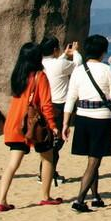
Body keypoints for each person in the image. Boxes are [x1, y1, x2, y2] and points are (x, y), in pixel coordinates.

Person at [64, 34, 111, 213]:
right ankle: (79, 200)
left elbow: (71, 96)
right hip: (100, 118)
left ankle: (95, 197)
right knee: (94, 161)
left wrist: (65, 122)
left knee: (94, 159)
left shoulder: (79, 70)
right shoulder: (105, 69)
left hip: (82, 117)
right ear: (103, 52)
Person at [0, 43, 61, 212]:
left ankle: (2, 199)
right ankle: (45, 196)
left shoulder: (17, 76)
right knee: (48, 158)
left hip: (15, 123)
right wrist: (53, 125)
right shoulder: (40, 76)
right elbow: (46, 104)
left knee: (12, 164)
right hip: (34, 125)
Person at [40, 36, 80, 186]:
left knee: (47, 141)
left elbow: (59, 64)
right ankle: (49, 173)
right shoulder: (59, 64)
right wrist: (75, 52)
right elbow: (78, 65)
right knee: (58, 141)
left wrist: (65, 54)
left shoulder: (41, 64)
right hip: (60, 106)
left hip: (44, 105)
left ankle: (44, 172)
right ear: (55, 49)